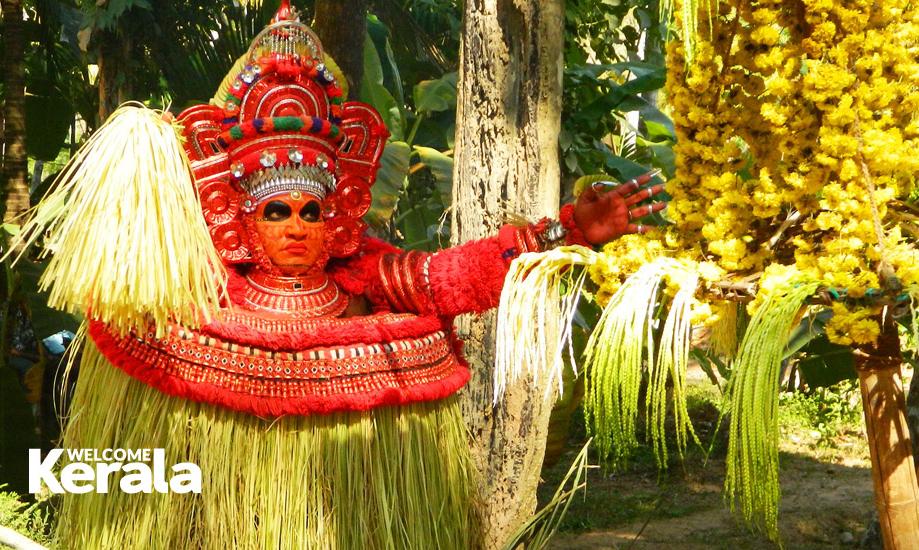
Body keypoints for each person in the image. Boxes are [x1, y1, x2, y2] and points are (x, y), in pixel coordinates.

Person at [31, 2, 666, 548]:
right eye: (276, 212)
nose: (297, 227)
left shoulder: (359, 269)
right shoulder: (204, 285)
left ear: (334, 211)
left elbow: (445, 278)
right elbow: (122, 302)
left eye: (310, 211)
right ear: (240, 216)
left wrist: (565, 230)